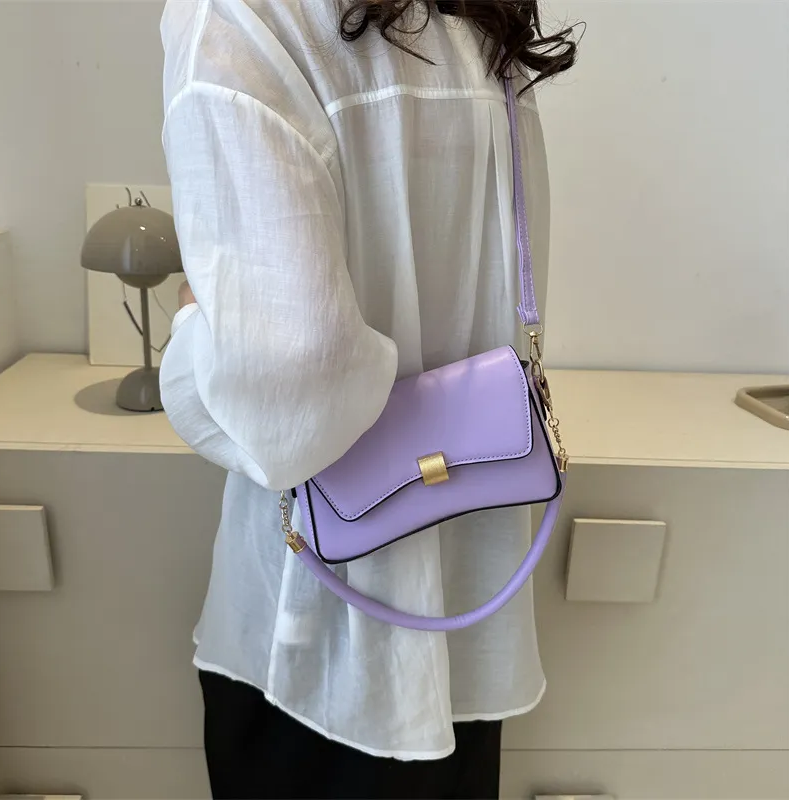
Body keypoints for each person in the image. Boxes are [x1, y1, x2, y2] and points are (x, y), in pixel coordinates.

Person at [160, 1, 576, 797]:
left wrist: (188, 330)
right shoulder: (474, 21)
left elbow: (291, 394)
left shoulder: (245, 21)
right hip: (469, 612)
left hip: (315, 642)